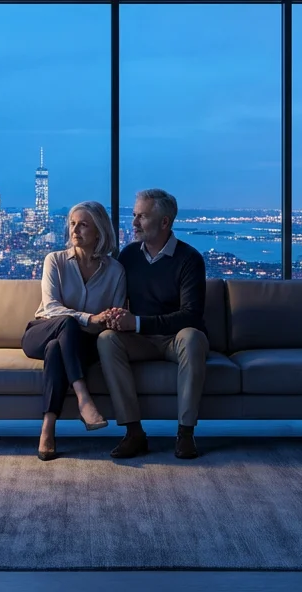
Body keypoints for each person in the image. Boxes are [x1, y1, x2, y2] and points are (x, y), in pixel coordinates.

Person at [96, 188, 208, 460]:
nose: (133, 223)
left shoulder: (189, 259)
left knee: (192, 337)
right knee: (106, 340)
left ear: (165, 222)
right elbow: (118, 296)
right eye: (134, 216)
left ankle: (185, 433)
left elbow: (191, 315)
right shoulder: (129, 255)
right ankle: (134, 433)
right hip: (142, 340)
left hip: (175, 339)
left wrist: (137, 322)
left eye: (142, 217)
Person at [21, 201, 126, 461]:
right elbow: (52, 307)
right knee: (66, 323)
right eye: (72, 224)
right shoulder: (54, 261)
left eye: (83, 224)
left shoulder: (115, 271)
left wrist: (100, 322)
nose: (74, 230)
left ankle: (48, 427)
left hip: (83, 343)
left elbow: (115, 315)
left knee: (57, 348)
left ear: (99, 231)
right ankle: (84, 399)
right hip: (42, 330)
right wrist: (90, 318)